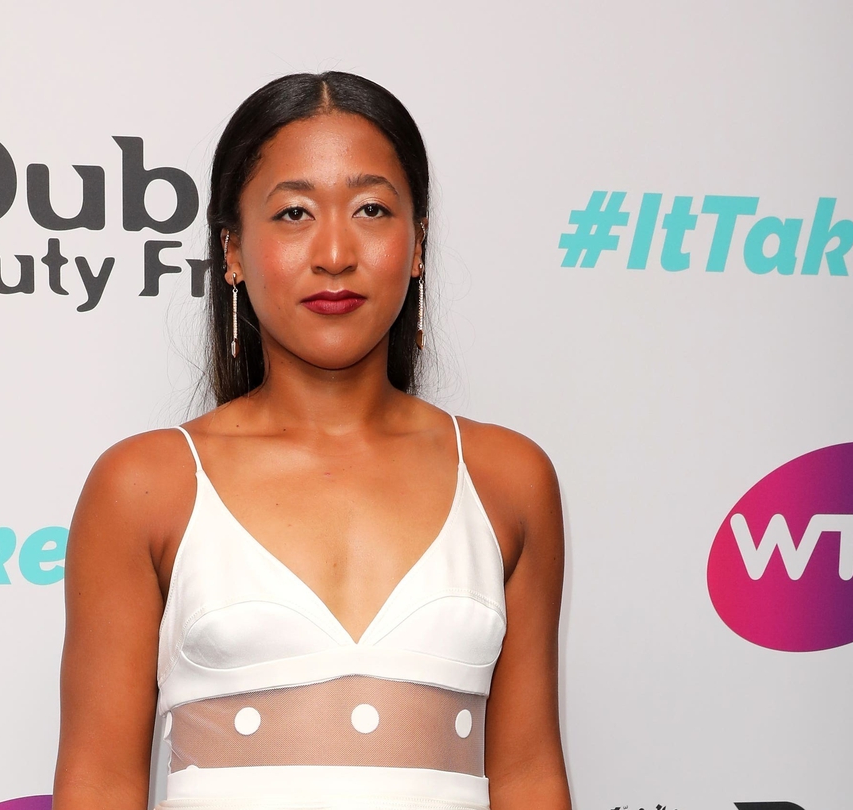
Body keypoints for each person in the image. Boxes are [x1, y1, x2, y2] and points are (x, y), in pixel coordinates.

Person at [53, 71, 571, 810]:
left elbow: (527, 778)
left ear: (418, 243)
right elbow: (98, 785)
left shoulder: (509, 479)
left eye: (370, 209)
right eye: (294, 213)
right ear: (231, 252)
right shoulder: (144, 485)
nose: (334, 252)